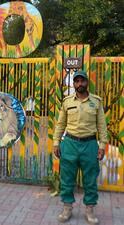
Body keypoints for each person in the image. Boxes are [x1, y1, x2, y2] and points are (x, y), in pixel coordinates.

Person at [53, 70, 108, 224]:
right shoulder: (67, 102)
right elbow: (60, 124)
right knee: (67, 179)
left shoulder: (96, 102)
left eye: (82, 81)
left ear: (87, 82)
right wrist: (56, 143)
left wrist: (102, 145)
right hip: (69, 144)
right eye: (77, 81)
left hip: (90, 144)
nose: (80, 84)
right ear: (74, 83)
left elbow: (102, 126)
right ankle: (67, 209)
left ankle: (90, 211)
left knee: (90, 180)